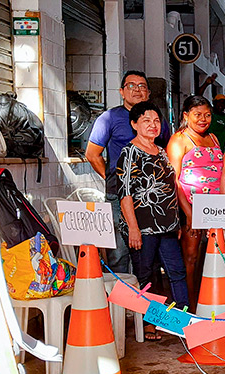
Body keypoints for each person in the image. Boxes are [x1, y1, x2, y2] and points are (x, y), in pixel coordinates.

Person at [114, 101, 189, 341]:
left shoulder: (162, 151)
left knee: (176, 271)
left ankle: (183, 320)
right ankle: (149, 323)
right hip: (143, 228)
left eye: (156, 120)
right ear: (134, 124)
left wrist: (176, 220)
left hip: (167, 226)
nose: (152, 125)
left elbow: (170, 187)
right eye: (146, 120)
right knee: (146, 275)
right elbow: (124, 193)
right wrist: (133, 229)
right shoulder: (129, 153)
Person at [85, 70, 171, 273]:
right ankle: (121, 301)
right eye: (131, 86)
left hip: (152, 198)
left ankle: (145, 301)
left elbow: (168, 151)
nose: (137, 90)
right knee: (120, 252)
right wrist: (116, 179)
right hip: (118, 195)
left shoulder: (157, 119)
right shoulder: (109, 118)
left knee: (149, 255)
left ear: (148, 93)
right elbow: (92, 154)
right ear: (122, 92)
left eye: (142, 86)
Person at [166, 95, 224, 304]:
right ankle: (189, 303)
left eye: (207, 115)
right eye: (197, 114)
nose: (203, 119)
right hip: (189, 206)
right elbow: (174, 180)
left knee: (212, 255)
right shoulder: (179, 139)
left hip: (216, 208)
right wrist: (190, 214)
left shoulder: (214, 138)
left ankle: (209, 298)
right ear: (185, 115)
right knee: (190, 257)